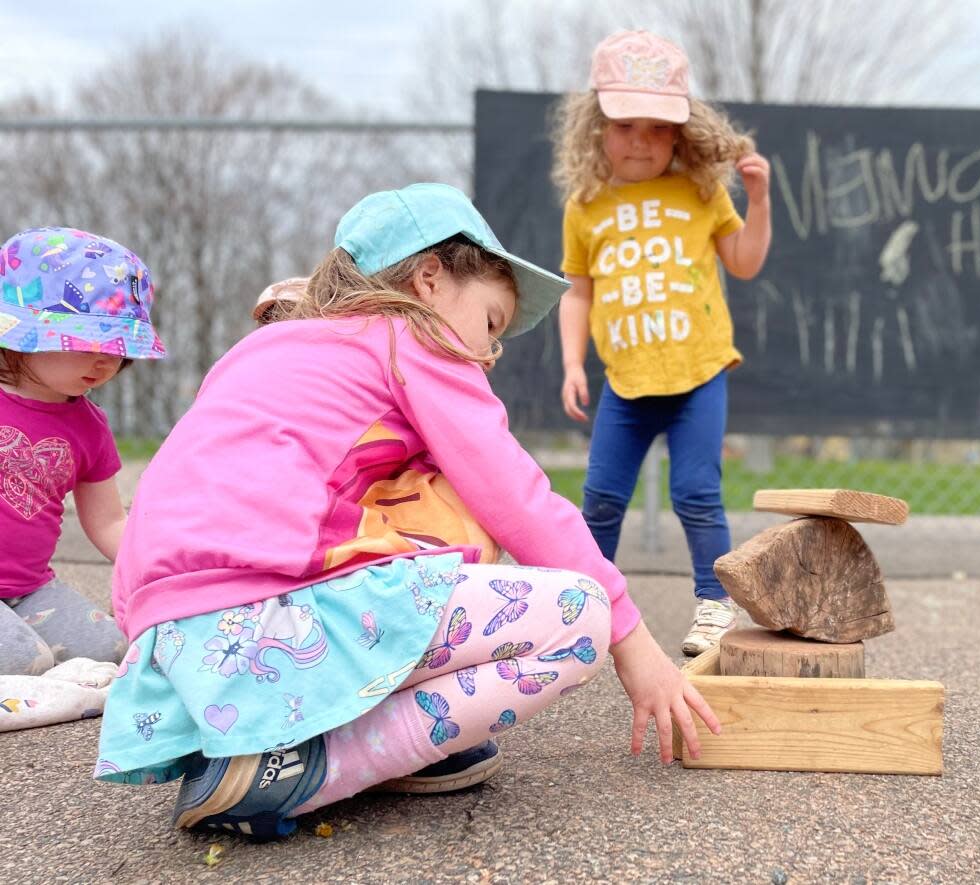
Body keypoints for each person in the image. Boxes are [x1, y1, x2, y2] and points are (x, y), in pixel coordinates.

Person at [94, 183, 720, 841]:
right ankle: (318, 762)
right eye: (490, 322)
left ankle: (274, 734)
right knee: (578, 615)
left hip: (171, 637)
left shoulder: (274, 347)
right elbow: (515, 495)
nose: (488, 352)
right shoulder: (409, 339)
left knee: (421, 487)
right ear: (429, 279)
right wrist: (632, 638)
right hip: (269, 616)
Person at [552, 30, 773, 656]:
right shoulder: (587, 204)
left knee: (697, 494)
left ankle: (713, 605)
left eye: (657, 127)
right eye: (625, 126)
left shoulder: (700, 192)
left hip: (698, 373)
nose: (641, 141)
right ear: (598, 127)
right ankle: (583, 610)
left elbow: (746, 261)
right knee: (599, 499)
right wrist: (573, 363)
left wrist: (757, 198)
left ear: (680, 133)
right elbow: (578, 292)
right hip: (627, 381)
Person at [0, 227, 167, 675]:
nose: (104, 361)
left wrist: (161, 565)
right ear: (24, 334)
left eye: (117, 351)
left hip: (28, 587)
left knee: (110, 650)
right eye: (90, 344)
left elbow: (108, 519)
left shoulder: (89, 426)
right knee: (22, 660)